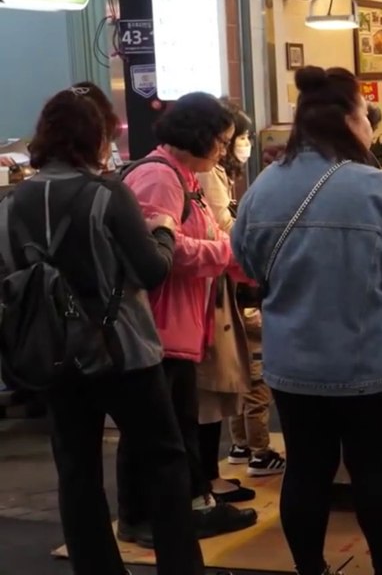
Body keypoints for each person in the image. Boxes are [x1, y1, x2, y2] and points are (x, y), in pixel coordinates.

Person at [232, 66, 382, 575]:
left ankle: (311, 568)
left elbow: (243, 257)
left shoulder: (266, 185)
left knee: (306, 470)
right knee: (373, 467)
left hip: (292, 357)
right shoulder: (376, 186)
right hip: (365, 358)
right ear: (351, 121)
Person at [0, 84, 208, 575]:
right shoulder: (105, 194)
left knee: (76, 471)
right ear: (94, 138)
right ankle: (181, 568)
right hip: (122, 352)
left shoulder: (13, 202)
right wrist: (162, 232)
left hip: (51, 354)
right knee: (164, 462)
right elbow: (153, 271)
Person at [118, 92, 258, 547]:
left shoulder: (184, 177)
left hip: (179, 326)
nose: (223, 149)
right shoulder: (159, 178)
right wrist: (226, 253)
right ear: (196, 136)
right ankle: (146, 519)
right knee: (156, 431)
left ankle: (178, 511)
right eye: (219, 141)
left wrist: (240, 257)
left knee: (174, 427)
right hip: (156, 325)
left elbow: (210, 238)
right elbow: (164, 252)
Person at [191, 101, 257, 504]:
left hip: (215, 285)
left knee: (217, 386)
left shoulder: (212, 172)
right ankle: (204, 478)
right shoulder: (204, 175)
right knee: (212, 385)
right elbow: (221, 229)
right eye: (234, 139)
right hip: (208, 292)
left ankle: (209, 473)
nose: (238, 146)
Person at [216, 113, 287, 478]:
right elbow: (229, 237)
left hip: (238, 295)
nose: (244, 144)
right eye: (239, 137)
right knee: (256, 380)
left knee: (243, 376)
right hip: (246, 296)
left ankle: (242, 446)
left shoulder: (240, 185)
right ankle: (260, 451)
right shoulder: (214, 179)